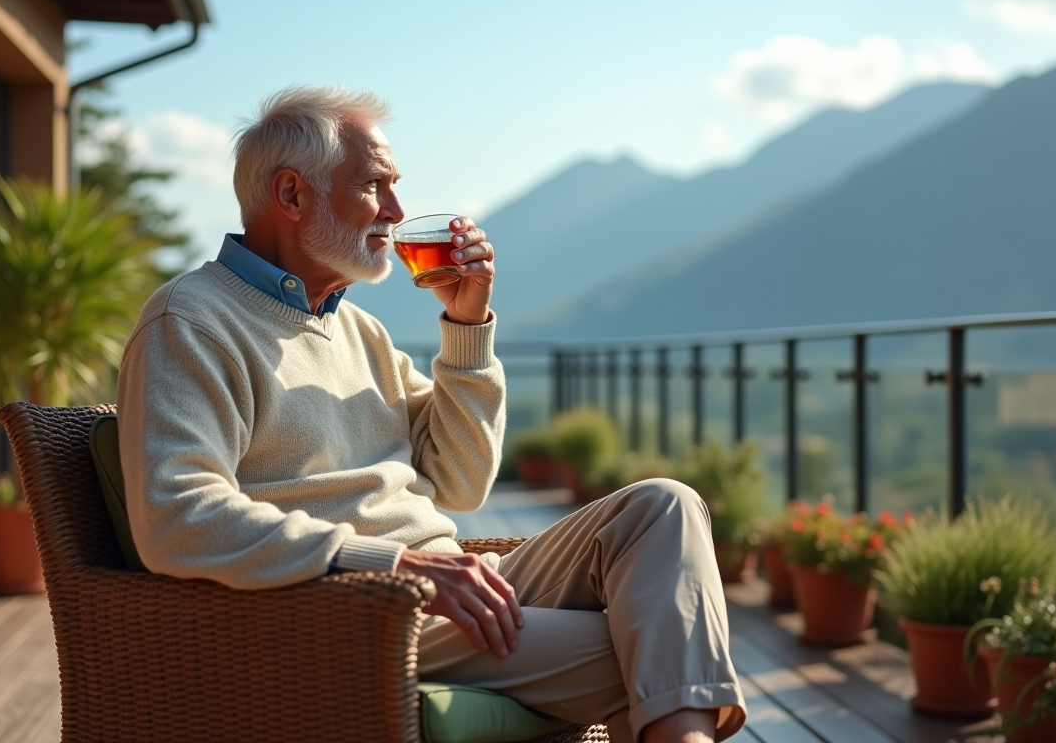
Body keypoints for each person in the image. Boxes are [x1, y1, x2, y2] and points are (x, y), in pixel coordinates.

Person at [116, 86, 747, 743]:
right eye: (374, 186)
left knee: (662, 507)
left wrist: (466, 322)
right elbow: (176, 516)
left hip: (452, 587)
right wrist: (392, 565)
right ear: (293, 195)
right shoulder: (189, 321)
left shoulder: (361, 333)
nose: (396, 210)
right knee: (657, 653)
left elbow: (462, 481)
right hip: (351, 610)